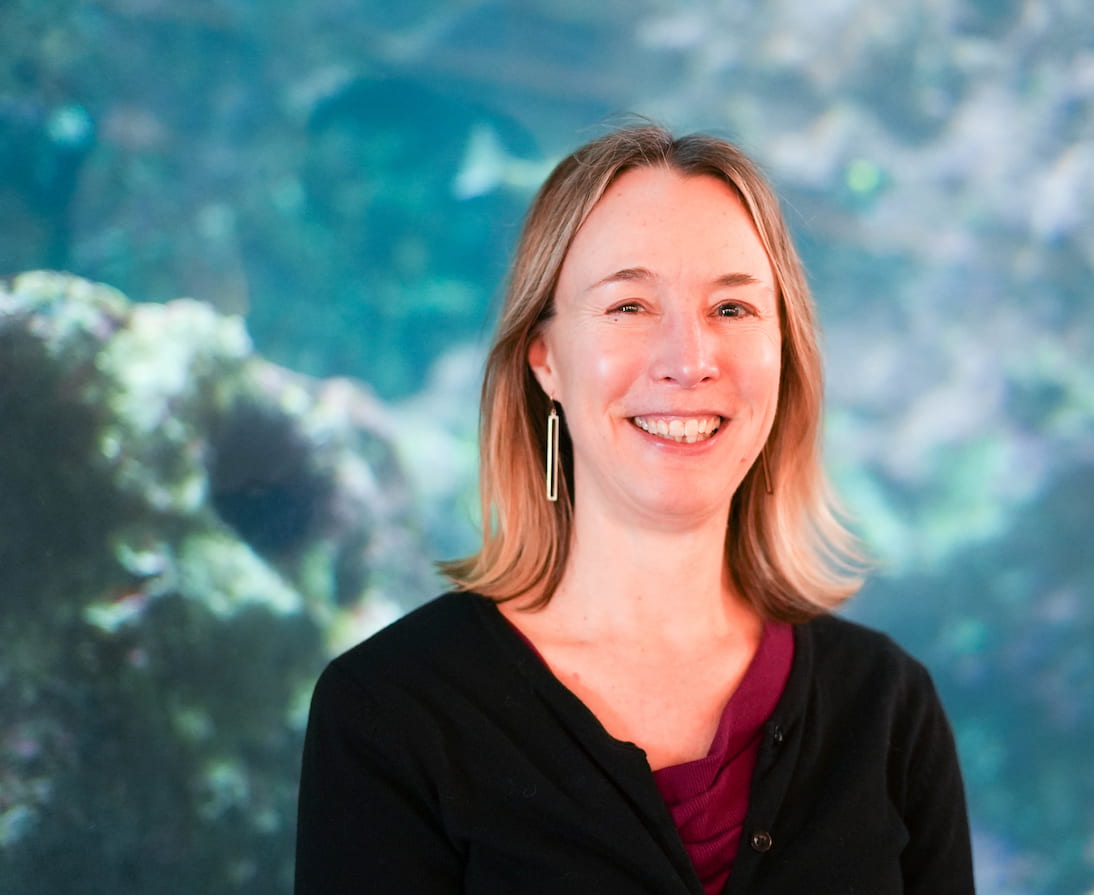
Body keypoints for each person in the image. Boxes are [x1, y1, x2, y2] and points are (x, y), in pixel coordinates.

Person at [295, 124, 975, 894]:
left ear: (785, 350)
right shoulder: (389, 711)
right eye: (629, 305)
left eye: (732, 308)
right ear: (544, 358)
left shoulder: (888, 708)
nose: (690, 360)